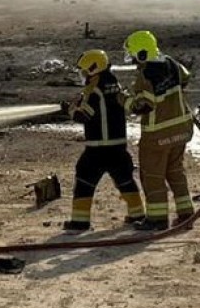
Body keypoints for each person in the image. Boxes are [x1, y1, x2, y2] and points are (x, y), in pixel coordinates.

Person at [59, 49, 146, 232]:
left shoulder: (95, 90)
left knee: (84, 181)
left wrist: (70, 111)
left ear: (93, 69)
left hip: (98, 148)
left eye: (84, 71)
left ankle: (80, 222)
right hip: (118, 147)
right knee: (125, 180)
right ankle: (138, 214)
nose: (82, 75)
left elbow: (84, 116)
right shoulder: (113, 83)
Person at [124, 30, 195, 230]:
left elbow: (143, 106)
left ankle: (157, 219)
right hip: (182, 130)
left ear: (142, 53)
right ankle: (186, 215)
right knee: (175, 173)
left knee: (152, 176)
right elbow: (185, 78)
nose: (133, 60)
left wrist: (124, 99)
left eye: (133, 55)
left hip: (157, 136)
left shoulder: (145, 74)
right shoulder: (172, 63)